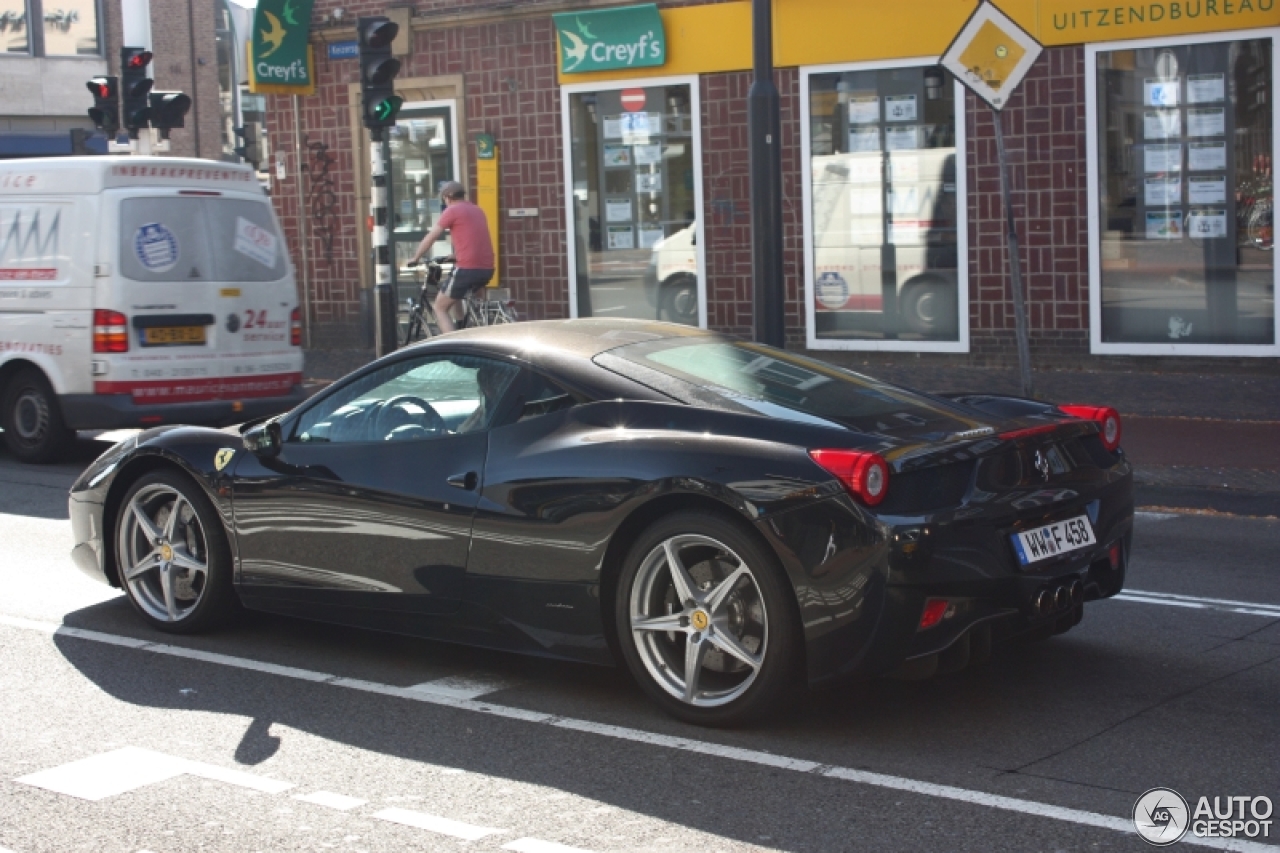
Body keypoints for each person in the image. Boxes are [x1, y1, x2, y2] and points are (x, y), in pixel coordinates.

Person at [407, 181, 495, 333]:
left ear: (447, 197)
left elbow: (432, 236)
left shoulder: (452, 211)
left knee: (439, 307)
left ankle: (453, 344)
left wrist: (415, 257)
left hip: (468, 268)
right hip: (487, 267)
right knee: (459, 296)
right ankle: (463, 326)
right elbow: (475, 237)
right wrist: (455, 255)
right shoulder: (477, 210)